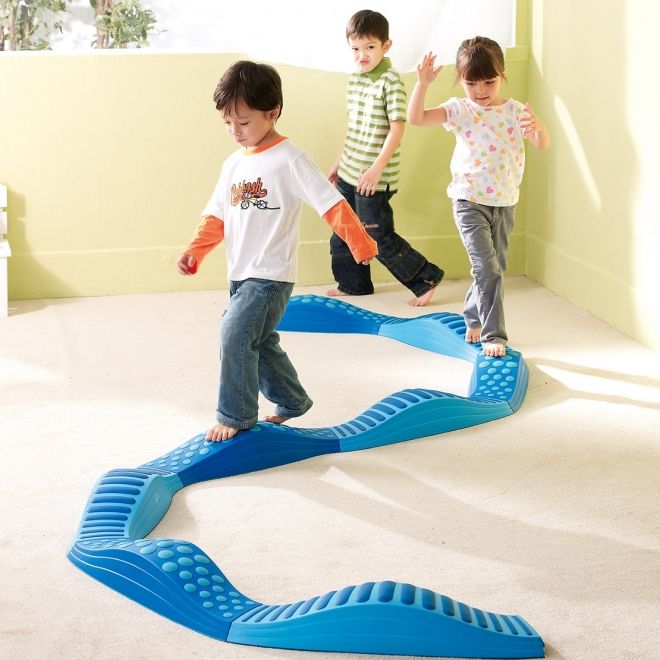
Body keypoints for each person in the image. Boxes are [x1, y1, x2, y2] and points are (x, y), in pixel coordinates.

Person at [177, 61, 377, 442]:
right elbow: (216, 215)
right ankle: (291, 400)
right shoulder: (233, 164)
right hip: (239, 275)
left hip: (270, 277)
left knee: (234, 335)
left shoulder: (290, 159)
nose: (235, 132)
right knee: (260, 340)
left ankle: (235, 415)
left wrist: (359, 242)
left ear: (273, 113)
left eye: (244, 122)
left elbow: (330, 203)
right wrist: (195, 251)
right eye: (227, 123)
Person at [408, 37, 550, 356]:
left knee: (492, 268)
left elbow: (542, 143)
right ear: (460, 80)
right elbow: (417, 118)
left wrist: (539, 127)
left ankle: (472, 315)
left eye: (489, 81)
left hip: (505, 203)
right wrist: (422, 84)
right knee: (486, 268)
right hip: (468, 201)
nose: (481, 90)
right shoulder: (460, 109)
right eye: (472, 83)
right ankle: (493, 334)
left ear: (502, 75)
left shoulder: (515, 111)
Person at [327, 9, 445, 307]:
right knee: (344, 231)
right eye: (356, 48)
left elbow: (397, 128)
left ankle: (425, 278)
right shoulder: (355, 79)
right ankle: (353, 285)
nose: (362, 55)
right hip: (349, 173)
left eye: (369, 47)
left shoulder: (391, 81)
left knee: (376, 236)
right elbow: (354, 127)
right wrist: (339, 163)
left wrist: (376, 170)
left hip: (374, 178)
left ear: (385, 46)